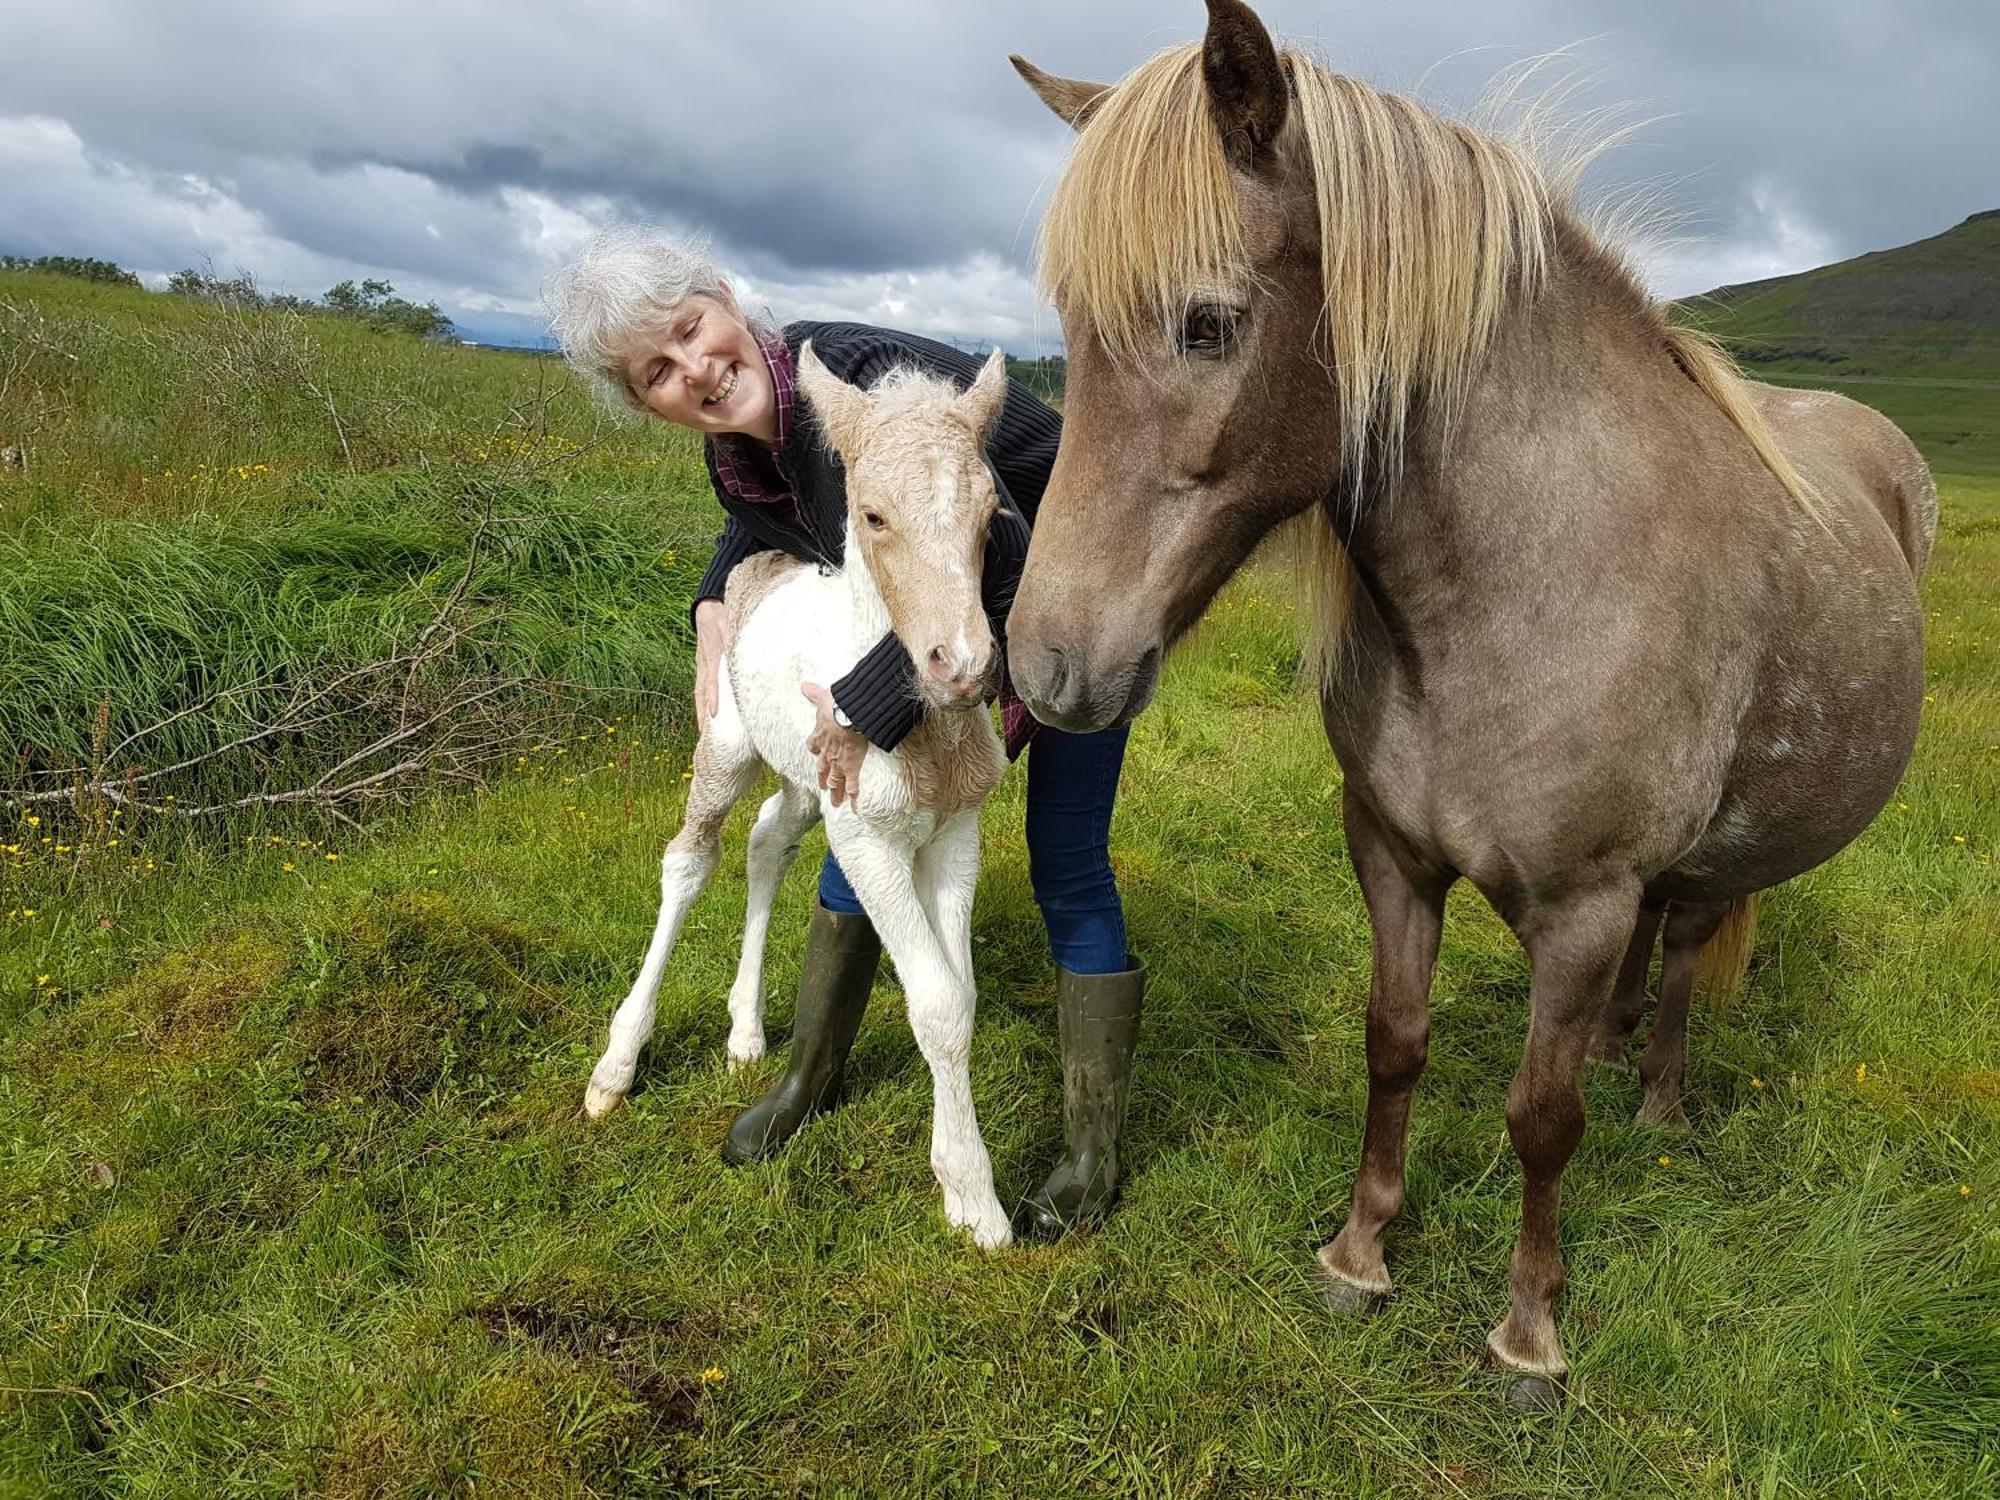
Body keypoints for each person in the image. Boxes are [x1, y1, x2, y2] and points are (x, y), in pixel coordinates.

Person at [545, 227, 1143, 1234]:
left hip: (1080, 612)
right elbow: (764, 529)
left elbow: (999, 535)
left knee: (1065, 859)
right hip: (946, 635)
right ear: (641, 400)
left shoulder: (869, 386)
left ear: (727, 301)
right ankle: (809, 1078)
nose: (693, 368)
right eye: (656, 369)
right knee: (855, 823)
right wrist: (710, 612)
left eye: (691, 329)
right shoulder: (745, 451)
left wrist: (863, 704)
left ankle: (1088, 1151)